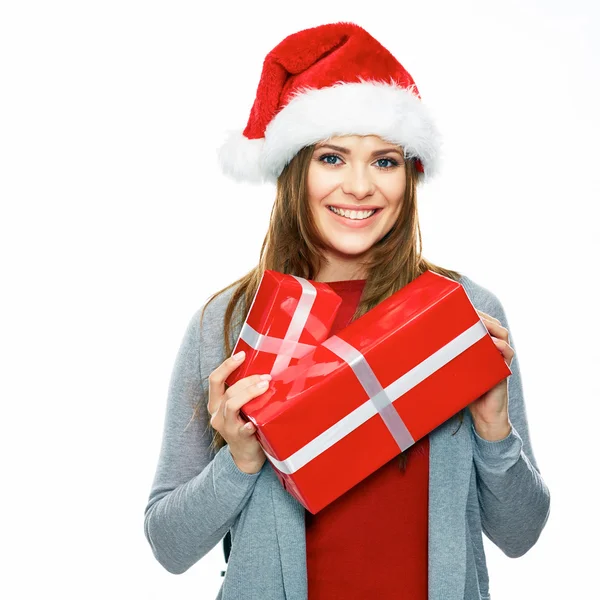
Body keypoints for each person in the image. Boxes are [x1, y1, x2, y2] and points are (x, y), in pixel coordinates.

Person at [143, 21, 551, 600]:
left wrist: (493, 428)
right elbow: (169, 544)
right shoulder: (232, 322)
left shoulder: (460, 313)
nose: (360, 187)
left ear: (410, 178)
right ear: (295, 171)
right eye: (333, 157)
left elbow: (520, 533)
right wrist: (239, 459)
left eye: (384, 162)